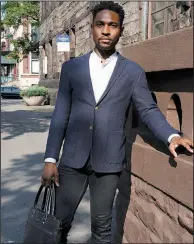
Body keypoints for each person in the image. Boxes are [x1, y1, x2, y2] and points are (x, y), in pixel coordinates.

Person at [41, 1, 193, 243]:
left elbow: (148, 109)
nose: (105, 30)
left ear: (120, 30)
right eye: (100, 24)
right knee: (58, 224)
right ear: (92, 28)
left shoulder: (132, 72)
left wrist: (172, 135)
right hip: (72, 160)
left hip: (108, 163)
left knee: (102, 230)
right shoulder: (72, 69)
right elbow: (61, 115)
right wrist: (50, 158)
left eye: (113, 25)